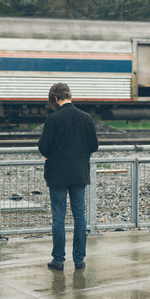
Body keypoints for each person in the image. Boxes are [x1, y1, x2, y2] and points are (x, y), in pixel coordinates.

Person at [38, 83, 99, 271]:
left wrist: (53, 153)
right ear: (68, 95)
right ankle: (79, 260)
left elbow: (44, 148)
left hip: (58, 175)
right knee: (79, 216)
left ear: (55, 98)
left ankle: (58, 260)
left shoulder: (53, 119)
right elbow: (94, 146)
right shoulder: (86, 117)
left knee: (59, 216)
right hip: (79, 173)